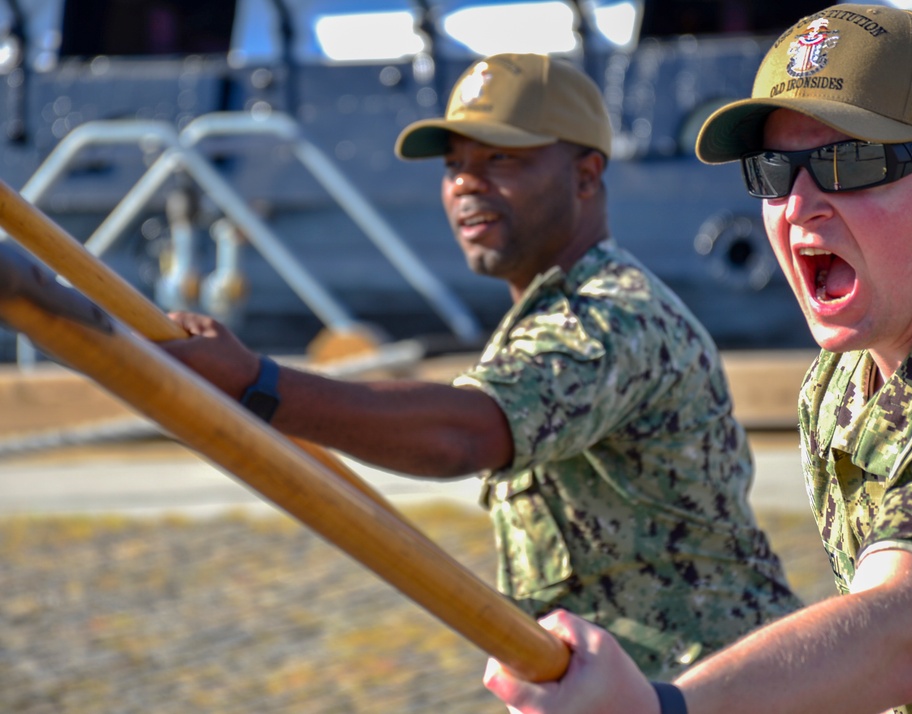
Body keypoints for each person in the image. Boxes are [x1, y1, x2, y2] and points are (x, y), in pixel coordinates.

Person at [162, 52, 801, 680]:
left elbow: (464, 434)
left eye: (500, 159)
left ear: (586, 175)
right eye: (454, 165)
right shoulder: (547, 315)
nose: (466, 182)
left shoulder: (613, 317)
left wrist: (256, 383)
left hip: (720, 688)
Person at [483, 4, 912, 713]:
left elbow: (905, 627)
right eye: (771, 172)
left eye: (850, 162)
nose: (798, 206)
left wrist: (665, 707)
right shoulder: (842, 380)